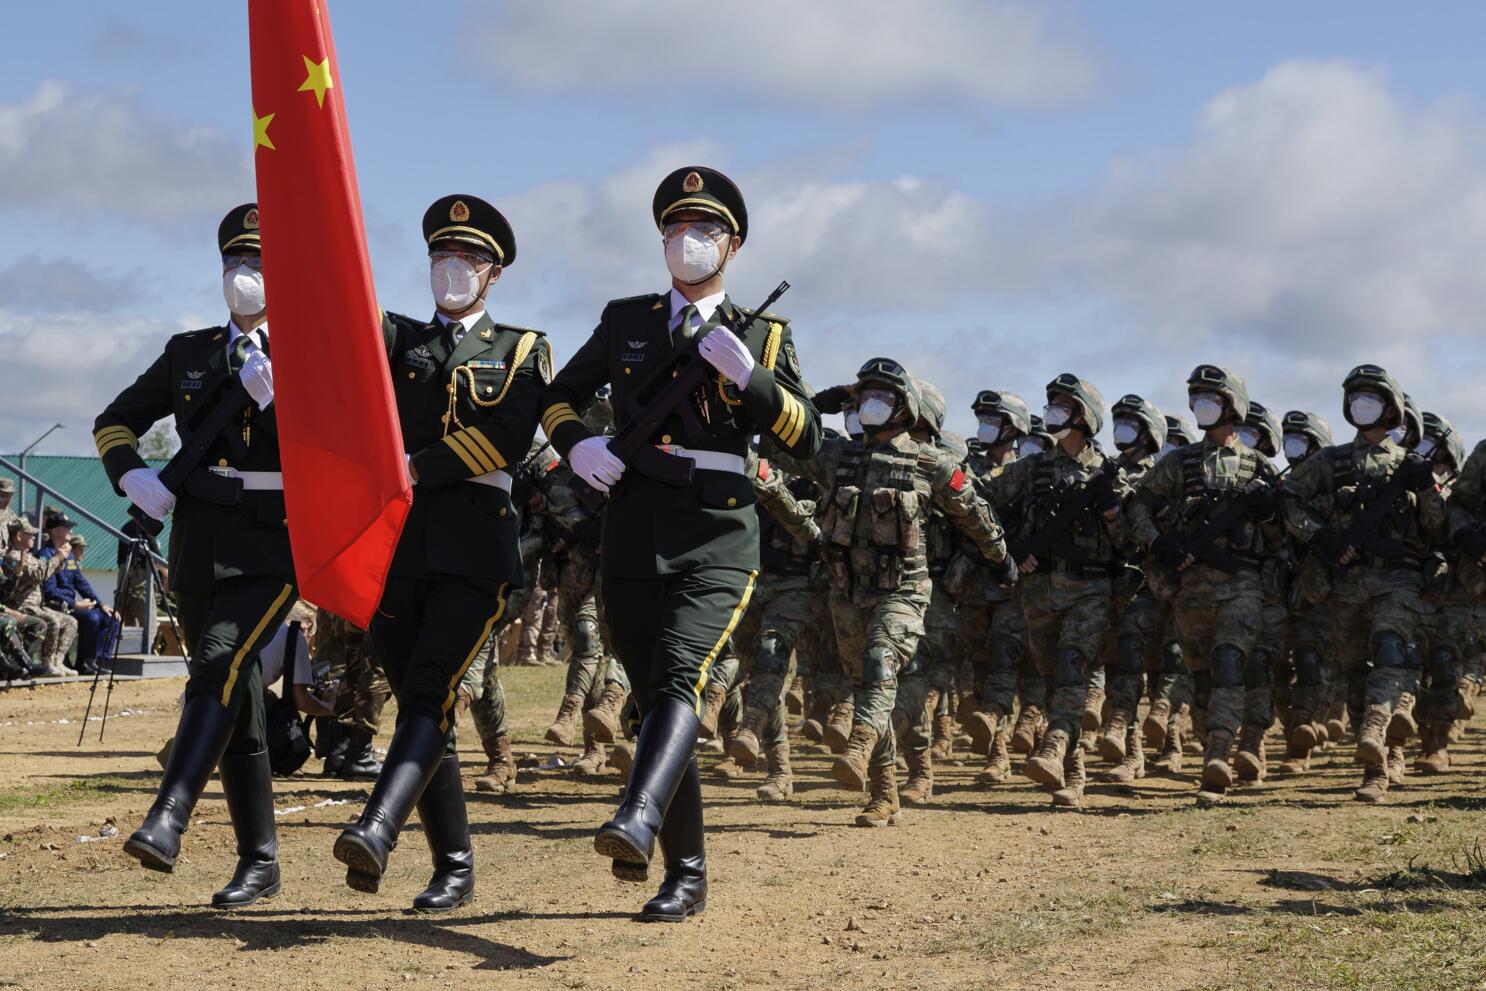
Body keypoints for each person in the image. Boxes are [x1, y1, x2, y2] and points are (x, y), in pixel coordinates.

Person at [539, 166, 821, 921]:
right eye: (674, 228)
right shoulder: (627, 321)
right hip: (633, 525)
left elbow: (808, 438)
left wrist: (753, 378)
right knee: (663, 694)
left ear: (733, 245)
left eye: (702, 230)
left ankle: (637, 815)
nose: (685, 241)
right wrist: (577, 446)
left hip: (718, 530)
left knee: (680, 678)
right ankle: (685, 872)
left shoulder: (764, 332)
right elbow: (558, 397)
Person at [333, 194, 549, 912]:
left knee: (428, 689)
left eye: (468, 259)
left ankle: (377, 825)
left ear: (494, 273)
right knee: (428, 706)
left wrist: (417, 465)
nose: (452, 269)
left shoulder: (522, 347)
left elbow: (509, 436)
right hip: (396, 547)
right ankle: (454, 864)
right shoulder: (396, 341)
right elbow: (340, 338)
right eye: (441, 257)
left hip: (474, 548)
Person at [99, 204, 295, 907]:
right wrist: (134, 475)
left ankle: (169, 814)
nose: (246, 276)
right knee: (235, 690)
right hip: (199, 544)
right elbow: (114, 420)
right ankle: (260, 860)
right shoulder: (190, 352)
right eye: (236, 263)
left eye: (261, 264)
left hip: (274, 540)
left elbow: (340, 446)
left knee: (218, 658)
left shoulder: (309, 350)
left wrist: (283, 404)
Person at [799, 358, 1011, 823]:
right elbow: (781, 444)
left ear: (905, 408)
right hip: (847, 593)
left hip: (904, 592)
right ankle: (884, 792)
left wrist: (1001, 558)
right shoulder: (836, 457)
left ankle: (858, 746)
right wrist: (816, 405)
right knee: (870, 685)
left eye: (883, 396)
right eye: (865, 394)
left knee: (880, 667)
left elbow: (972, 513)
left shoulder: (930, 462)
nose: (871, 404)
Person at [1280, 364, 1444, 803]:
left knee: (1391, 650)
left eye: (1371, 396)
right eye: (1356, 396)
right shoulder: (1329, 461)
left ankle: (1376, 728)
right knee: (1355, 673)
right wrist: (1319, 534)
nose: (1361, 404)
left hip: (1398, 579)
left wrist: (1426, 485)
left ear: (1390, 408)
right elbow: (1287, 500)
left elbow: (1436, 527)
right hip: (1345, 581)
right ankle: (1380, 764)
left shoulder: (1410, 465)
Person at [1130, 366, 1284, 806]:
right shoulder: (1179, 464)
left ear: (1232, 405)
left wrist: (1269, 514)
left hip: (1242, 583)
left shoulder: (1260, 467)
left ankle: (1217, 756)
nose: (1201, 404)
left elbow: (1281, 539)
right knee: (1200, 676)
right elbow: (1138, 505)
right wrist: (1159, 544)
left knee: (1231, 661)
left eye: (1210, 396)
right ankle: (1210, 739)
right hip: (1190, 586)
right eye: (1196, 396)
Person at [980, 374, 1130, 809]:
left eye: (1063, 407)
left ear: (1084, 416)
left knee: (1071, 669)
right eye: (1052, 406)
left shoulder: (1107, 473)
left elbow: (1128, 541)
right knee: (1051, 681)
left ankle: (1053, 746)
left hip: (1090, 589)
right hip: (1039, 590)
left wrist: (1109, 508)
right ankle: (1074, 774)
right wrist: (1009, 550)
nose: (1052, 415)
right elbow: (981, 501)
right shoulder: (1033, 468)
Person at [41, 524, 122, 675]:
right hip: (56, 606)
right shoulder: (47, 554)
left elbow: (80, 582)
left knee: (111, 618)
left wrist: (100, 603)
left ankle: (96, 661)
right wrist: (75, 604)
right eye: (66, 528)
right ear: (55, 530)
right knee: (92, 619)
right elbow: (49, 591)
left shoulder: (69, 556)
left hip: (72, 606)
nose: (70, 531)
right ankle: (82, 663)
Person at [2, 518, 75, 678]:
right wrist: (57, 557)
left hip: (36, 605)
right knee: (51, 621)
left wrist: (60, 559)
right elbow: (38, 575)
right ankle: (45, 663)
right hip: (21, 605)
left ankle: (58, 661)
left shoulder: (26, 555)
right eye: (30, 535)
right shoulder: (13, 556)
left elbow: (45, 571)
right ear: (19, 536)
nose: (34, 538)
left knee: (70, 622)